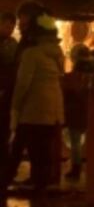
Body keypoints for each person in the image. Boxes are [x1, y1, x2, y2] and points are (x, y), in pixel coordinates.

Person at [2, 13, 65, 194]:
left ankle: (4, 182)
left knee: (17, 149)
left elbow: (23, 84)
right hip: (51, 111)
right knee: (42, 151)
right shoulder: (56, 55)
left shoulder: (31, 54)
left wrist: (15, 107)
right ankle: (40, 186)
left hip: (31, 110)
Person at [63, 22, 94, 181]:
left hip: (75, 110)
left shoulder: (72, 77)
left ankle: (76, 167)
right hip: (90, 109)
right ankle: (92, 165)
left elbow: (68, 92)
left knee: (75, 141)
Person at [0, 12, 18, 174]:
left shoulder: (13, 44)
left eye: (12, 25)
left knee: (5, 129)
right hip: (5, 89)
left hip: (8, 92)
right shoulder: (11, 45)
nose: (10, 28)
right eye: (7, 25)